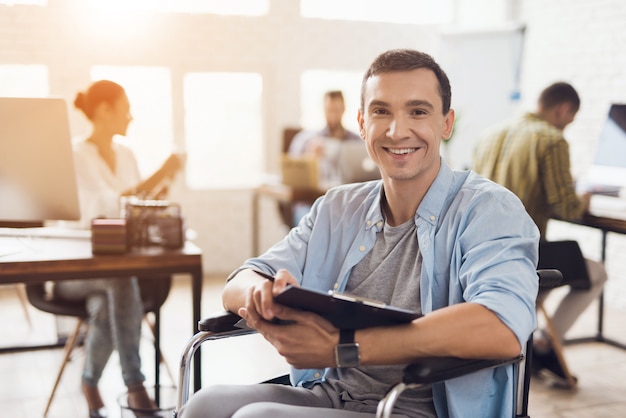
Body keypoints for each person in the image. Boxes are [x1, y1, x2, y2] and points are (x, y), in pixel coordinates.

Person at [181, 49, 539, 418]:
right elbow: (241, 279)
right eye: (381, 111)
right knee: (204, 405)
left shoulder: (489, 209)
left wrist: (342, 349)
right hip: (332, 394)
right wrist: (261, 294)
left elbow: (501, 326)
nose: (397, 130)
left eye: (418, 111)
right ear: (362, 123)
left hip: (423, 409)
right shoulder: (337, 208)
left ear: (446, 124)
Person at [55, 80, 183, 418]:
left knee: (107, 305)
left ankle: (89, 381)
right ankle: (135, 386)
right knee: (120, 280)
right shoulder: (74, 155)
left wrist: (159, 190)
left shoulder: (126, 154)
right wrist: (158, 174)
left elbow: (135, 210)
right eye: (126, 109)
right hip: (73, 272)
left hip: (115, 277)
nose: (131, 117)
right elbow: (104, 209)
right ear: (104, 111)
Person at [473, 82, 608, 387]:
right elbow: (566, 205)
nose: (568, 125)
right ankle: (546, 346)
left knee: (547, 274)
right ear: (563, 110)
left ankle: (520, 339)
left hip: (483, 247)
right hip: (523, 251)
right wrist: (582, 199)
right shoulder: (552, 140)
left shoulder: (490, 134)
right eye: (570, 119)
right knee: (597, 273)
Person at [287, 90, 362, 225]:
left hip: (345, 203)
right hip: (311, 203)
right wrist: (310, 158)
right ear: (323, 110)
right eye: (329, 110)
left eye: (337, 110)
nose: (333, 115)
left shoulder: (356, 142)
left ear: (344, 109)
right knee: (312, 225)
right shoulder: (306, 140)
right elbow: (292, 173)